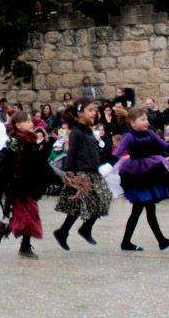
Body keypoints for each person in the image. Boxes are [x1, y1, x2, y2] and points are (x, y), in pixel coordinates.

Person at [0, 110, 56, 260]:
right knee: (27, 216)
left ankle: (5, 229)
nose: (31, 123)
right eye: (27, 121)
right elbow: (5, 159)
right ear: (17, 124)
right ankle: (25, 245)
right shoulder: (14, 141)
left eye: (31, 121)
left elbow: (38, 162)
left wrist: (48, 145)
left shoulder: (31, 140)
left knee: (27, 215)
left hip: (30, 184)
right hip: (18, 186)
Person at [115, 109, 169, 252]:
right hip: (137, 176)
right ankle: (160, 241)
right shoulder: (129, 137)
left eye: (146, 119)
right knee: (145, 208)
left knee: (142, 210)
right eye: (142, 119)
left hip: (149, 174)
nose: (146, 122)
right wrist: (108, 165)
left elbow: (165, 145)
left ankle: (129, 242)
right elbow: (118, 153)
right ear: (132, 123)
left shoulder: (150, 134)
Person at [51, 100, 109, 251]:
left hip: (92, 171)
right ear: (80, 112)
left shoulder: (88, 131)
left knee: (101, 199)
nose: (94, 113)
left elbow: (93, 150)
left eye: (95, 110)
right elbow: (71, 153)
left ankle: (72, 230)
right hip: (82, 173)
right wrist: (69, 171)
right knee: (84, 203)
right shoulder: (76, 132)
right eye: (90, 110)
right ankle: (69, 231)